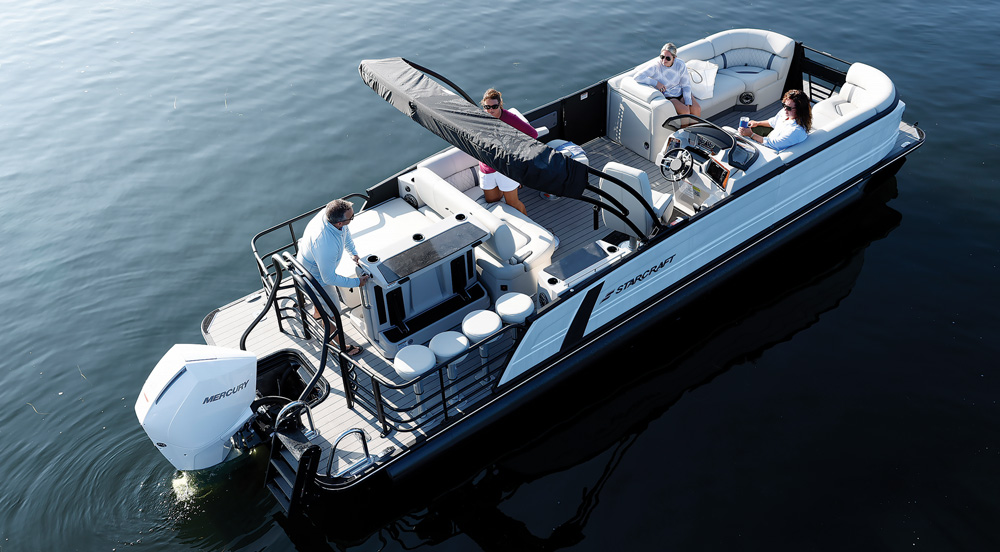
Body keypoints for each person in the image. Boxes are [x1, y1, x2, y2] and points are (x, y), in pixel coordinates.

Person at [296, 198, 369, 355]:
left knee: (323, 304)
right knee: (333, 312)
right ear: (339, 223)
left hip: (307, 261)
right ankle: (340, 347)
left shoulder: (329, 215)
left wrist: (353, 252)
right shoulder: (325, 244)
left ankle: (317, 312)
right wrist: (357, 282)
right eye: (352, 217)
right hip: (313, 276)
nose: (353, 218)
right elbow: (328, 278)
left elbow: (345, 233)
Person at [478, 88, 538, 215]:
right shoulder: (480, 119)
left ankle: (527, 225)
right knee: (492, 201)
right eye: (487, 107)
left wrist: (515, 149)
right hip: (487, 167)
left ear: (500, 104)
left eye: (494, 106)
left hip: (505, 168)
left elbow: (532, 134)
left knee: (513, 203)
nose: (490, 110)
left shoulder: (510, 119)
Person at [632, 42, 702, 119]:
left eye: (667, 58)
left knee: (696, 109)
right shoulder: (656, 66)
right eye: (662, 57)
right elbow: (637, 77)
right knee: (685, 111)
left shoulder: (680, 64)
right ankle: (684, 130)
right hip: (669, 96)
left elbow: (686, 85)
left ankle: (693, 129)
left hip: (681, 92)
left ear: (674, 58)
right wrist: (656, 83)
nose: (664, 60)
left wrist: (688, 102)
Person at [739, 89, 812, 149]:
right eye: (784, 105)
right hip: (769, 138)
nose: (785, 109)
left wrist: (751, 135)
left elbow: (773, 144)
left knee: (743, 139)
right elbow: (773, 122)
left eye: (789, 108)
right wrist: (757, 123)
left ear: (800, 110)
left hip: (771, 149)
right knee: (746, 129)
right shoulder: (786, 112)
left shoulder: (796, 130)